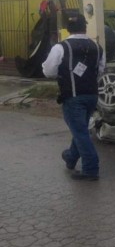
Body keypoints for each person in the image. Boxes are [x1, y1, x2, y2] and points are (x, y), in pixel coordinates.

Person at [42, 13, 105, 181]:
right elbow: (100, 70)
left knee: (80, 133)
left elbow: (48, 72)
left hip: (72, 96)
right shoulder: (97, 47)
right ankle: (70, 157)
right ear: (85, 27)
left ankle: (91, 169)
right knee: (81, 130)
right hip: (92, 95)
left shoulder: (60, 47)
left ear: (68, 29)